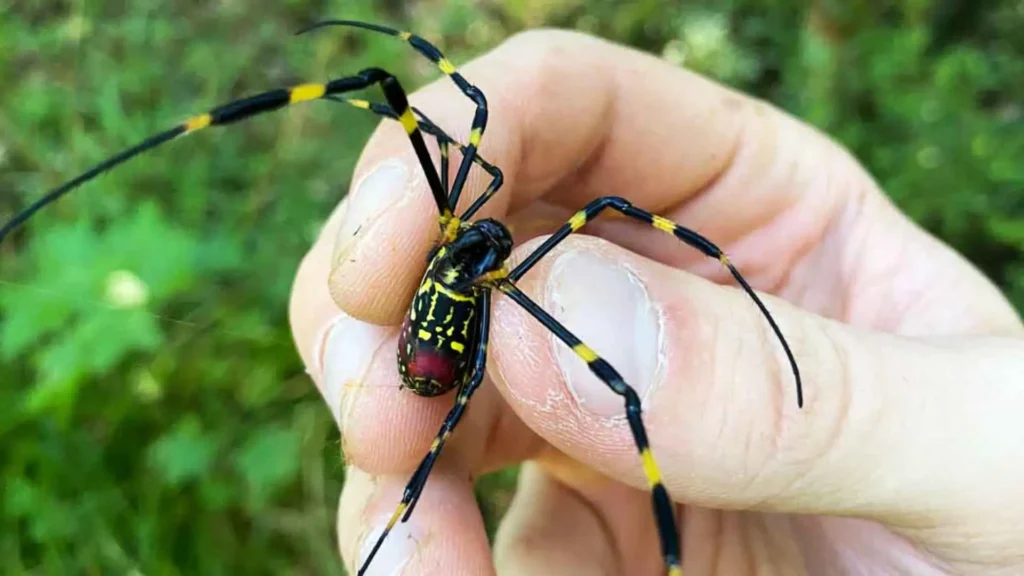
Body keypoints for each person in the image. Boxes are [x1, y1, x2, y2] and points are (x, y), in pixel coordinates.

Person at [288, 30, 1024, 575]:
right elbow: (464, 104)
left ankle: (668, 557)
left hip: (443, 354)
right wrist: (422, 58)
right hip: (433, 355)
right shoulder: (458, 222)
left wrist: (723, 266)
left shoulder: (495, 258)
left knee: (610, 383)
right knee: (423, 99)